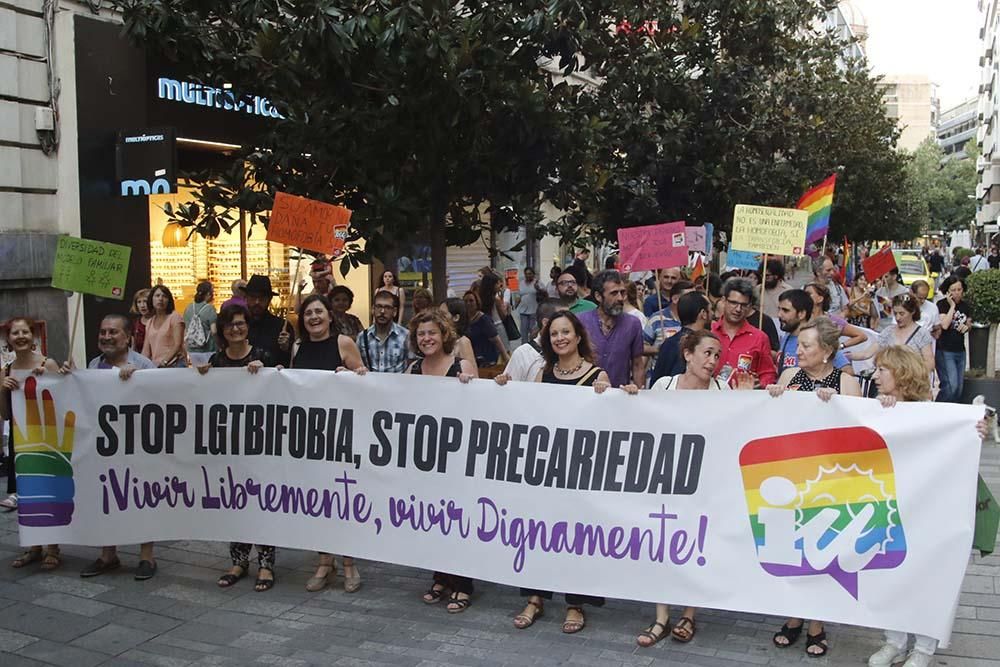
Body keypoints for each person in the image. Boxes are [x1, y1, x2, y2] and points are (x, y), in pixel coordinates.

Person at [866, 345, 990, 667]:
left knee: (931, 576)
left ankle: (923, 648)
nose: (876, 376)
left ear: (902, 374)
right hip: (892, 509)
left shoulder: (936, 415)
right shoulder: (875, 407)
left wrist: (975, 430)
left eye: (883, 370)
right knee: (891, 573)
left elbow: (961, 441)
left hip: (930, 510)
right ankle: (894, 640)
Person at [511, 309, 631, 634]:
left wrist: (623, 396)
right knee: (540, 533)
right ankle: (535, 597)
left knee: (576, 538)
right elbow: (527, 412)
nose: (560, 338)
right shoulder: (543, 374)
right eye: (554, 334)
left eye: (566, 332)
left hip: (581, 473)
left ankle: (575, 604)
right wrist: (502, 388)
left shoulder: (597, 377)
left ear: (578, 336)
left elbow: (612, 418)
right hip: (547, 471)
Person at [639, 329, 752, 646]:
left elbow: (737, 431)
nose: (713, 360)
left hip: (707, 483)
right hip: (668, 479)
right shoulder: (664, 385)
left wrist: (747, 401)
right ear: (687, 354)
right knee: (663, 546)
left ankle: (689, 613)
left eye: (718, 355)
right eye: (707, 353)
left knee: (697, 546)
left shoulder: (722, 391)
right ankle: (661, 617)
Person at [767, 317, 862, 658]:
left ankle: (817, 623)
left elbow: (858, 427)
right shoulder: (791, 377)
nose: (799, 351)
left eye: (806, 346)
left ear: (826, 352)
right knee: (796, 551)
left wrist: (837, 403)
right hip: (794, 476)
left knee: (824, 549)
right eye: (799, 345)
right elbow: (773, 423)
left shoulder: (846, 380)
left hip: (830, 481)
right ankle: (794, 615)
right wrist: (774, 397)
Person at [196, 304, 277, 592]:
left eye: (241, 323)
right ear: (223, 330)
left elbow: (280, 389)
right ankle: (239, 560)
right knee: (235, 502)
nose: (236, 329)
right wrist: (202, 376)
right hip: (229, 447)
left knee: (261, 503)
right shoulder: (216, 361)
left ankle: (266, 564)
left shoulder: (262, 356)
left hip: (260, 445)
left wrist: (265, 372)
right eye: (230, 325)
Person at [68, 315, 155, 578]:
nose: (106, 337)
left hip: (138, 445)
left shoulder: (144, 365)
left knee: (142, 499)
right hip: (105, 446)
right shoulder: (94, 365)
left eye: (113, 332)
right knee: (105, 497)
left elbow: (160, 399)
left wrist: (139, 379)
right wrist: (69, 377)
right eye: (102, 332)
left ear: (128, 337)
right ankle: (108, 555)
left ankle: (147, 558)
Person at [291, 294, 368, 593]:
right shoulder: (298, 347)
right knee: (316, 502)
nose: (313, 317)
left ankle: (349, 563)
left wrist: (352, 375)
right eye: (308, 313)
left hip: (340, 436)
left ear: (329, 315)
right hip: (310, 437)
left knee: (342, 500)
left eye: (318, 311)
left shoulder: (343, 343)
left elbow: (364, 379)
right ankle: (325, 561)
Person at [405, 310, 477, 613]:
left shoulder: (461, 365)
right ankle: (440, 576)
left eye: (432, 332)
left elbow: (481, 409)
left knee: (456, 519)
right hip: (426, 460)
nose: (426, 339)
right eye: (421, 334)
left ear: (443, 334)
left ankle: (462, 583)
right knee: (432, 519)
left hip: (457, 459)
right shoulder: (412, 369)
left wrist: (469, 385)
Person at [0, 318, 61, 569]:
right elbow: (4, 413)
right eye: (16, 333)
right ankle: (33, 546)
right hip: (20, 437)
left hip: (47, 437)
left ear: (33, 336)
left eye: (25, 331)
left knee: (49, 490)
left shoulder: (49, 363)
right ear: (9, 339)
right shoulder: (6, 370)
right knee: (26, 493)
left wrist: (47, 380)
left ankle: (53, 548)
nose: (21, 336)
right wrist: (1, 389)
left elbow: (64, 401)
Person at [578, 270, 645, 387]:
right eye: (614, 293)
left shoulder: (633, 324)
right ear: (598, 296)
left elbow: (637, 364)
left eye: (622, 293)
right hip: (585, 393)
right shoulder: (580, 321)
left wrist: (639, 395)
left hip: (619, 395)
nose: (620, 298)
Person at [711, 278, 777, 387]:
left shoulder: (759, 338)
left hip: (744, 399)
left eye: (743, 305)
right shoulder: (710, 332)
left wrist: (760, 384)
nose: (738, 309)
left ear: (750, 306)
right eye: (733, 303)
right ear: (723, 300)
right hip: (709, 397)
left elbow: (768, 373)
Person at [849, 295, 935, 373]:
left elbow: (929, 363)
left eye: (902, 314)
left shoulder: (922, 333)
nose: (898, 318)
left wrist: (912, 374)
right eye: (895, 313)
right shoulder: (888, 331)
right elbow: (867, 353)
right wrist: (845, 355)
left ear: (912, 312)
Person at [775, 289, 853, 374]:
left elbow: (847, 371)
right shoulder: (786, 338)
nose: (779, 314)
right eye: (779, 309)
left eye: (785, 310)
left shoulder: (819, 337)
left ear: (801, 314)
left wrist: (823, 385)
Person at [649, 292, 712, 385]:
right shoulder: (695, 346)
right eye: (711, 310)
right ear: (703, 314)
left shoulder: (669, 343)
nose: (713, 314)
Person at [495, 299, 560, 383]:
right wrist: (503, 382)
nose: (570, 322)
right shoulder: (523, 353)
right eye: (563, 318)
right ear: (546, 323)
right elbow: (511, 387)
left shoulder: (571, 350)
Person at [936, 276, 972, 403]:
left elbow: (969, 322)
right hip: (945, 350)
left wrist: (967, 327)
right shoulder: (942, 304)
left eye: (959, 289)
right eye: (953, 290)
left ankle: (950, 413)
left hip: (960, 350)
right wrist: (952, 306)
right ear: (947, 291)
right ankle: (937, 408)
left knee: (959, 389)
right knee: (951, 386)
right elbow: (944, 325)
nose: (957, 293)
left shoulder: (965, 305)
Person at [804, 282, 868, 354]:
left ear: (820, 299)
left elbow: (862, 336)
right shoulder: (800, 319)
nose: (804, 296)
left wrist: (840, 346)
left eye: (808, 294)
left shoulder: (833, 321)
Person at [245, 275, 292, 367]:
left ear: (269, 299)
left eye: (262, 298)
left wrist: (287, 348)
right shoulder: (239, 326)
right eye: (253, 297)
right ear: (246, 297)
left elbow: (291, 361)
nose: (257, 302)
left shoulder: (282, 326)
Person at [357, 290, 410, 373]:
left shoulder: (405, 336)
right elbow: (357, 365)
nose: (382, 311)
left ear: (395, 312)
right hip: (370, 385)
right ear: (373, 309)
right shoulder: (362, 337)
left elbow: (412, 366)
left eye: (387, 307)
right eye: (379, 306)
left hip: (398, 384)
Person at [643, 281, 695, 357]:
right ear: (675, 299)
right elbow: (641, 347)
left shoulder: (696, 319)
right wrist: (659, 349)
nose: (695, 301)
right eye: (690, 297)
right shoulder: (657, 319)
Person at [463, 290, 509, 376]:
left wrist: (505, 357)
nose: (468, 303)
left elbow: (496, 339)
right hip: (471, 359)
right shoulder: (464, 320)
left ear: (477, 302)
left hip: (487, 360)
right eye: (465, 301)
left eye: (471, 301)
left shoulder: (484, 319)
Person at [142, 285, 185, 367]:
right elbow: (146, 350)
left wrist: (164, 362)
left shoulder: (175, 317)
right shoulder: (150, 322)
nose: (160, 299)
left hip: (174, 365)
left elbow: (178, 345)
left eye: (164, 296)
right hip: (156, 366)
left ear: (169, 300)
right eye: (157, 296)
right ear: (151, 299)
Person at [439, 298, 478, 371]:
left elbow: (473, 374)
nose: (438, 318)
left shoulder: (463, 342)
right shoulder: (441, 341)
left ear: (456, 317)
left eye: (443, 314)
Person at [182, 280, 218, 355]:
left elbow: (186, 329)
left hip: (191, 350)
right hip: (208, 349)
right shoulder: (210, 308)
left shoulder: (188, 308)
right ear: (208, 294)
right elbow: (214, 330)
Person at [514, 267, 544, 339]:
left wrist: (538, 289)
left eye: (530, 274)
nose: (528, 275)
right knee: (523, 331)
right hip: (523, 311)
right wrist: (515, 306)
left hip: (534, 311)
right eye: (526, 274)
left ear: (533, 274)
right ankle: (524, 346)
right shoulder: (521, 283)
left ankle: (532, 346)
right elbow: (518, 296)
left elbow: (544, 294)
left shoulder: (538, 283)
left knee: (532, 330)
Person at [130, 288, 151, 353]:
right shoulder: (135, 323)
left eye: (145, 301)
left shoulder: (159, 321)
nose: (142, 305)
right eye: (139, 302)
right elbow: (133, 346)